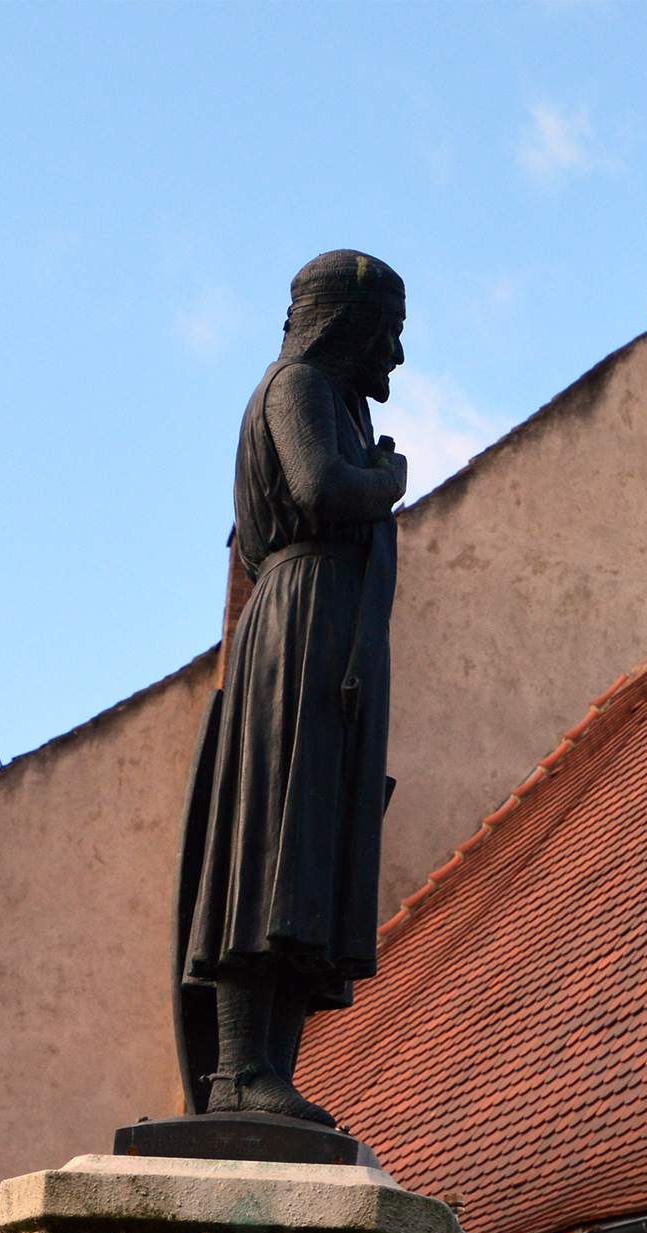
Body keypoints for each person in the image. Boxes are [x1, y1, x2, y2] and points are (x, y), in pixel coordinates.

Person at [176, 251, 407, 1129]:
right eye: (388, 333)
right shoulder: (298, 386)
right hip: (298, 628)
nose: (395, 357)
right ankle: (240, 1072)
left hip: (330, 636)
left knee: (310, 847)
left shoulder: (338, 400)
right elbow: (321, 486)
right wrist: (390, 479)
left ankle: (272, 1068)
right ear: (344, 324)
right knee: (274, 837)